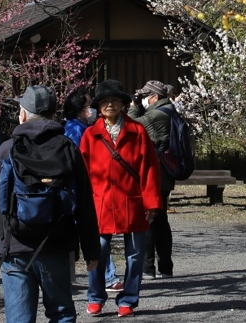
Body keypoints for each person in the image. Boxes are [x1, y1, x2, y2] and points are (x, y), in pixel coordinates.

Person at [0, 85, 101, 323]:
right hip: (56, 242)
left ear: (24, 114)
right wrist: (91, 248)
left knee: (19, 318)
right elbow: (84, 202)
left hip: (15, 245)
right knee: (61, 315)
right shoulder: (68, 148)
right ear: (52, 114)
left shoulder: (7, 150)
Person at [79, 79, 162, 318]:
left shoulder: (137, 132)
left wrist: (152, 202)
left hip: (132, 201)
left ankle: (128, 300)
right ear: (99, 107)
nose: (110, 105)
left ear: (123, 104)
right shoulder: (90, 135)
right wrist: (82, 204)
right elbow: (82, 173)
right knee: (98, 251)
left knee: (135, 255)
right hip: (100, 202)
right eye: (105, 101)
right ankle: (95, 297)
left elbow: (149, 169)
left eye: (115, 100)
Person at [62, 86, 122, 292]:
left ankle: (105, 277)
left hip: (86, 188)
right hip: (83, 189)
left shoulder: (79, 127)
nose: (94, 109)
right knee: (94, 234)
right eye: (89, 106)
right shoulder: (76, 130)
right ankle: (108, 278)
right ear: (79, 109)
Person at [127, 80, 176, 279]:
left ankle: (148, 267)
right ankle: (165, 267)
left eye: (145, 96)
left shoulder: (156, 114)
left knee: (150, 219)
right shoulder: (170, 111)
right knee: (161, 220)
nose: (143, 99)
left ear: (154, 97)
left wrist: (132, 108)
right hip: (165, 174)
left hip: (156, 175)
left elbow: (133, 125)